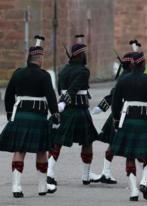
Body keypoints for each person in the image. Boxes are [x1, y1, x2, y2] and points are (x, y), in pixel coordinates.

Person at [90, 41, 147, 184]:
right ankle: (106, 171)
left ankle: (144, 171)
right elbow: (113, 95)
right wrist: (102, 106)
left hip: (128, 114)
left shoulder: (129, 75)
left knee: (131, 146)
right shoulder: (126, 77)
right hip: (123, 114)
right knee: (117, 145)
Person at [0, 35, 58, 197]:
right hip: (38, 117)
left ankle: (16, 187)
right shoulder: (44, 76)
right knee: (41, 151)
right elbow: (51, 97)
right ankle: (41, 187)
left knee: (19, 150)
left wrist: (11, 114)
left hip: (20, 116)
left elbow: (8, 95)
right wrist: (55, 115)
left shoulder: (17, 74)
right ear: (39, 58)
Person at [110, 50, 147, 201]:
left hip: (128, 121)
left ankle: (134, 191)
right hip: (145, 122)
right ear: (142, 63)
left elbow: (115, 104)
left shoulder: (123, 80)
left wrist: (116, 122)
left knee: (130, 156)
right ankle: (144, 182)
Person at [48, 35, 100, 187]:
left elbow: (60, 90)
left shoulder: (63, 71)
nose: (86, 57)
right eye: (85, 54)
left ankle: (50, 171)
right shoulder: (84, 71)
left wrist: (62, 102)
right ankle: (86, 175)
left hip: (64, 110)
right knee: (88, 141)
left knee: (57, 141)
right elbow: (73, 89)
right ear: (80, 55)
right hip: (79, 110)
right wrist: (64, 102)